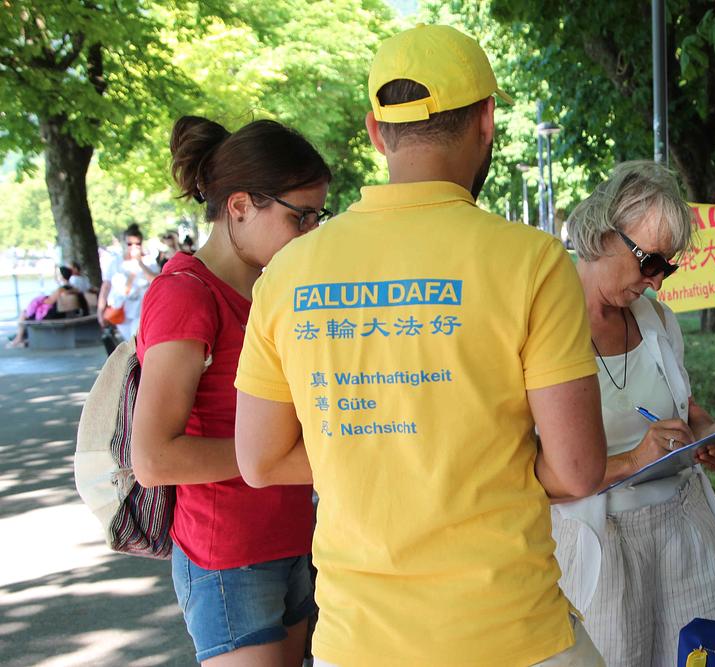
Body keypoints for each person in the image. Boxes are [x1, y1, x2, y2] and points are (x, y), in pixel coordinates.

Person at [233, 24, 608, 667]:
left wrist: (377, 455)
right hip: (509, 632)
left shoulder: (288, 273)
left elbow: (260, 461)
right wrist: (471, 462)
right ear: (487, 120)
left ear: (377, 132)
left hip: (356, 643)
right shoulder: (533, 261)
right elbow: (577, 470)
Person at [130, 115, 331, 666]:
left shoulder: (272, 290)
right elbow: (153, 458)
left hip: (294, 537)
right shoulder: (186, 295)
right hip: (228, 559)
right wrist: (279, 457)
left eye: (319, 216)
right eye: (300, 216)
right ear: (240, 206)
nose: (311, 231)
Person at [552, 161, 715, 667]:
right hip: (603, 545)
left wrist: (711, 433)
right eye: (650, 261)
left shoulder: (657, 320)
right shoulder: (546, 326)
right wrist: (635, 460)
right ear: (602, 233)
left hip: (683, 532)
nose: (657, 281)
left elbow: (686, 407)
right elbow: (531, 472)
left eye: (668, 267)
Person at [97, 223, 159, 340]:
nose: (133, 247)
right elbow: (106, 286)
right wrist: (100, 310)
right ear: (123, 243)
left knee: (136, 339)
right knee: (128, 340)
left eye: (137, 244)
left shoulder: (149, 261)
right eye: (129, 244)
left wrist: (140, 263)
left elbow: (156, 282)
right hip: (120, 309)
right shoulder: (115, 262)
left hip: (141, 310)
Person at [6, 265, 88, 348]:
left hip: (53, 315)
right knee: (26, 315)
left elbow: (49, 301)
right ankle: (20, 339)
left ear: (61, 276)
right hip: (62, 313)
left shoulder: (61, 289)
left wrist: (43, 299)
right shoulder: (72, 288)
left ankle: (18, 339)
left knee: (24, 314)